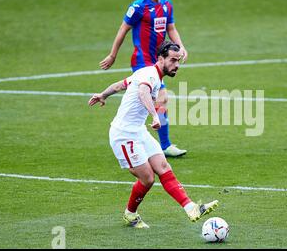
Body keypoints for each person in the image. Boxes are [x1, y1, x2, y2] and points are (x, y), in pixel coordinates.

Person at [89, 42, 218, 228]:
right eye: (173, 60)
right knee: (148, 178)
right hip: (124, 135)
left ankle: (191, 208)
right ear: (160, 59)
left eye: (178, 61)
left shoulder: (149, 73)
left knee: (163, 166)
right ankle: (130, 214)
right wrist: (154, 115)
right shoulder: (150, 75)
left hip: (139, 131)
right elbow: (143, 92)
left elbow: (120, 85)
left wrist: (103, 94)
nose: (177, 65)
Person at [99, 0, 187, 158]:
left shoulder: (167, 4)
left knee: (152, 101)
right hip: (142, 61)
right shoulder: (138, 7)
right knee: (161, 98)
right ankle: (163, 144)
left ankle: (144, 139)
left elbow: (171, 28)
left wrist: (180, 48)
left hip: (159, 60)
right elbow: (123, 29)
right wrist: (113, 55)